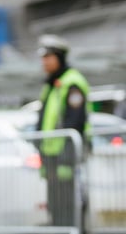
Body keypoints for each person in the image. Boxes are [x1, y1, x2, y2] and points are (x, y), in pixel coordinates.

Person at [35, 34, 91, 228]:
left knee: (68, 203)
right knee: (55, 203)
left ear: (59, 57)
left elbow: (75, 121)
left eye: (47, 57)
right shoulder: (51, 84)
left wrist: (65, 150)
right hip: (52, 155)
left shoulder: (72, 82)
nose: (44, 62)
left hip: (67, 155)